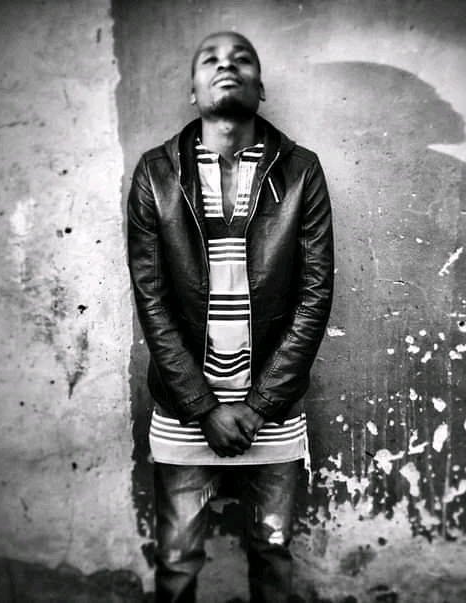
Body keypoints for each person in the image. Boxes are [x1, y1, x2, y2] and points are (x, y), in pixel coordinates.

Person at [126, 31, 334, 603]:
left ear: (260, 87)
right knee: (176, 565)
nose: (227, 66)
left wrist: (260, 404)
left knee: (272, 555)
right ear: (192, 91)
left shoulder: (301, 171)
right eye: (211, 60)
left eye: (242, 59)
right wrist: (204, 407)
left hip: (274, 410)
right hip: (182, 409)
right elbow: (152, 300)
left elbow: (315, 295)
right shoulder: (155, 174)